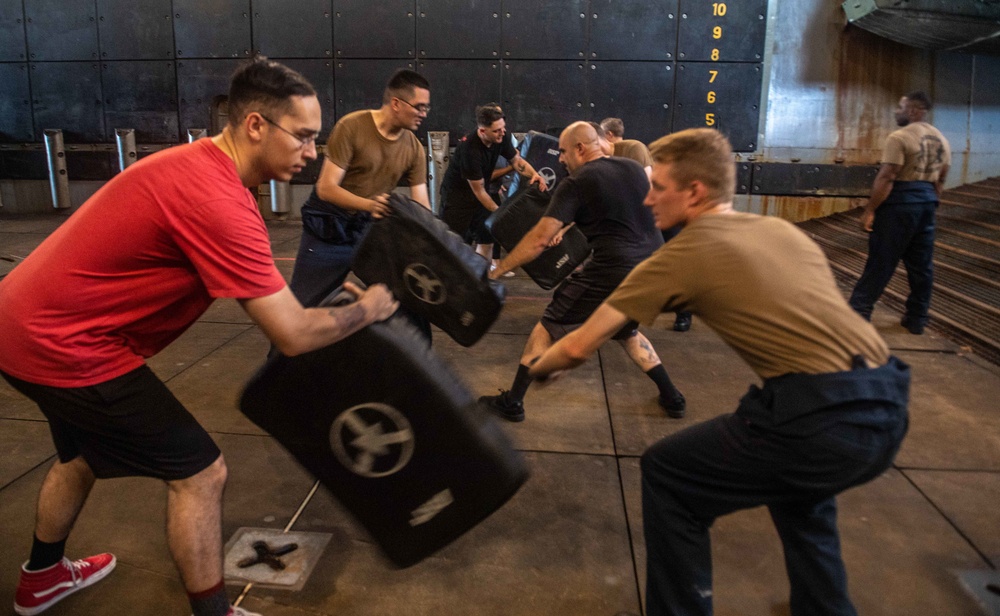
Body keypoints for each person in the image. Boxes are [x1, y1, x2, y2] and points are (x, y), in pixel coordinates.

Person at [0, 58, 398, 616]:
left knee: (83, 455)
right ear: (256, 125)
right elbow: (292, 333)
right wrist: (371, 309)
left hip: (21, 326)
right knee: (200, 472)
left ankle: (41, 578)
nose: (313, 154)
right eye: (305, 137)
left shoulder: (199, 167)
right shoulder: (218, 200)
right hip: (64, 345)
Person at [528, 128, 910, 616]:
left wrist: (541, 368)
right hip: (885, 401)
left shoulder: (682, 255)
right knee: (801, 494)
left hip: (817, 418)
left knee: (669, 474)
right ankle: (825, 607)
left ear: (695, 192)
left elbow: (578, 346)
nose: (647, 198)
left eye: (659, 186)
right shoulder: (779, 231)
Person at [480, 121, 685, 422]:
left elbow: (538, 240)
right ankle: (673, 397)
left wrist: (498, 270)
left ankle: (513, 402)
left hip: (613, 268)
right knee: (626, 330)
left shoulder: (576, 182)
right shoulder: (631, 168)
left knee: (547, 327)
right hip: (652, 266)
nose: (560, 159)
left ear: (580, 148)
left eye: (563, 151)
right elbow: (625, 211)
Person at [289, 69, 431, 309]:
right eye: (419, 107)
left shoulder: (414, 149)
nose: (423, 114)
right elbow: (326, 188)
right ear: (396, 103)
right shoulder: (352, 126)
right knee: (301, 308)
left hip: (367, 227)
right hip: (329, 225)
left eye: (426, 108)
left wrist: (438, 239)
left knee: (405, 305)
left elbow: (422, 206)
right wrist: (369, 205)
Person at [848, 91, 951, 335]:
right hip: (927, 203)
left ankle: (857, 316)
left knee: (881, 262)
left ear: (914, 111)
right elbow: (942, 178)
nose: (896, 111)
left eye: (900, 107)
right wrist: (930, 203)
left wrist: (870, 210)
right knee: (921, 266)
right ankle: (917, 319)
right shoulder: (942, 139)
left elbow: (888, 175)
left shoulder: (900, 137)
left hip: (900, 205)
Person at [599, 119, 691, 331]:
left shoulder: (634, 148)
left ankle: (684, 311)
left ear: (608, 135)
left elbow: (647, 186)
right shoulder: (606, 159)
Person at [439, 103, 547, 274]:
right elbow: (479, 191)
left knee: (487, 238)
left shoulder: (501, 136)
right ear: (482, 131)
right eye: (497, 130)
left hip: (482, 195)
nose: (502, 133)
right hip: (458, 200)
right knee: (453, 245)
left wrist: (534, 174)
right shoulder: (470, 150)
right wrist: (501, 214)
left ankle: (479, 279)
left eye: (503, 128)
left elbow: (516, 161)